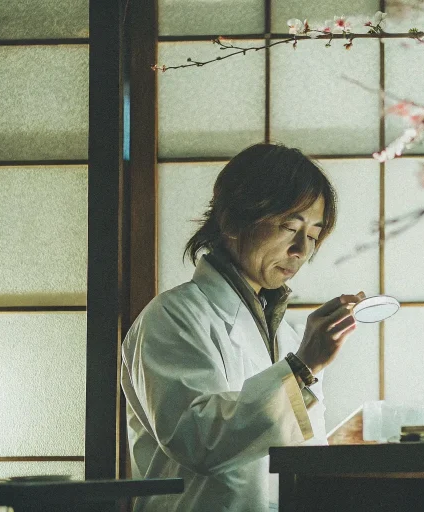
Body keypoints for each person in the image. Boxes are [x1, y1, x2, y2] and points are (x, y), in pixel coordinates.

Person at [120, 143, 363, 511]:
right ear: (232, 222)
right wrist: (301, 367)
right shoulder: (172, 316)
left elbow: (303, 454)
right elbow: (197, 442)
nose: (301, 249)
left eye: (313, 235)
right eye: (289, 227)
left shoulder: (288, 336)